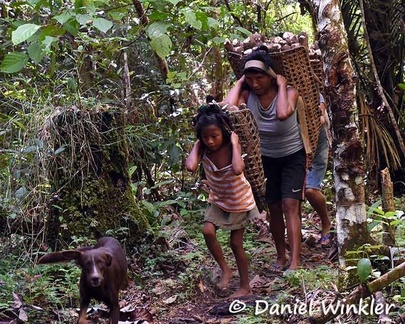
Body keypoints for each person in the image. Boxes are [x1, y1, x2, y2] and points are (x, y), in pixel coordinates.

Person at [223, 45, 305, 272]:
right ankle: (280, 256)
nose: (255, 84)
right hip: (267, 158)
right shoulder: (247, 94)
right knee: (274, 206)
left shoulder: (289, 92)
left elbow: (282, 114)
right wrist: (240, 83)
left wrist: (280, 84)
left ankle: (295, 261)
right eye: (250, 79)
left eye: (259, 78)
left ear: (270, 76)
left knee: (290, 204)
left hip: (293, 155)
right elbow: (227, 109)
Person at [185, 103, 260, 298]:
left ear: (223, 132)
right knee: (207, 231)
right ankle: (226, 269)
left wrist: (235, 144)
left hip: (239, 200)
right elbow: (191, 166)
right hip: (218, 198)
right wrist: (196, 145)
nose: (210, 141)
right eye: (205, 137)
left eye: (214, 136)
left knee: (236, 244)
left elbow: (237, 169)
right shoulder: (203, 149)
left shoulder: (230, 146)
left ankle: (245, 286)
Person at [305, 94, 332, 247]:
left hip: (317, 145)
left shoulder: (313, 91)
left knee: (310, 190)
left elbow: (320, 118)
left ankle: (326, 223)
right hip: (291, 147)